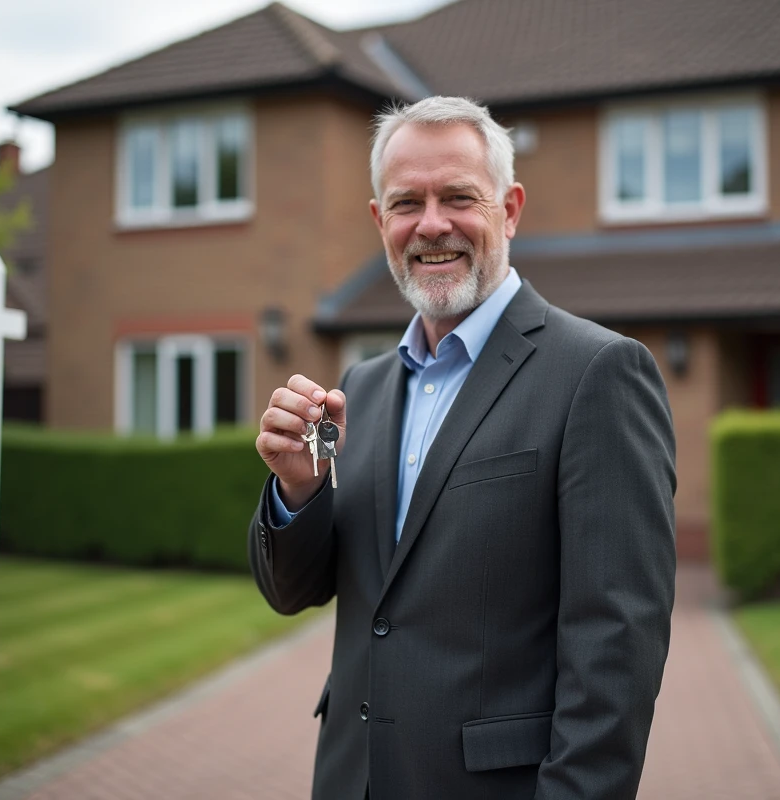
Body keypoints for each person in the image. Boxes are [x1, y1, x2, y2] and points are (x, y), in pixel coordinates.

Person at [250, 96, 676, 800]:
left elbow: (617, 645)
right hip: (352, 777)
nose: (432, 224)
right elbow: (299, 591)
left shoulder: (597, 374)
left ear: (509, 209)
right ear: (378, 221)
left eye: (458, 197)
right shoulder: (364, 385)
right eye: (406, 203)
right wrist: (299, 492)